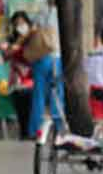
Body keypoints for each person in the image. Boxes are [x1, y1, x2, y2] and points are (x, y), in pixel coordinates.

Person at [8, 10, 62, 139]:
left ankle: (35, 130)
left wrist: (17, 44)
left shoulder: (42, 14)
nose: (20, 25)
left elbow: (26, 36)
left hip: (41, 60)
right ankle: (58, 130)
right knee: (57, 95)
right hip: (56, 58)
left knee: (39, 96)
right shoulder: (62, 14)